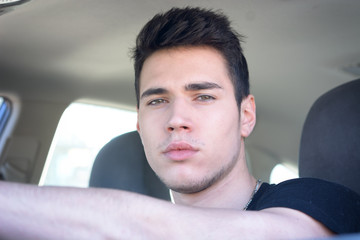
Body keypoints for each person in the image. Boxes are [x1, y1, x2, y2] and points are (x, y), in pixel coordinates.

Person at [0, 7, 359, 239]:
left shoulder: (316, 202)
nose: (176, 120)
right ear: (140, 125)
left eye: (203, 96)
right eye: (157, 101)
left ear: (245, 116)